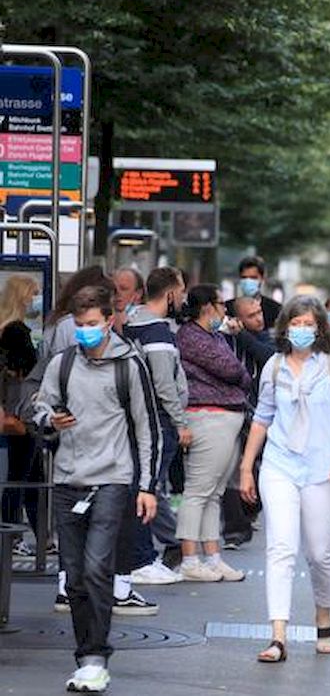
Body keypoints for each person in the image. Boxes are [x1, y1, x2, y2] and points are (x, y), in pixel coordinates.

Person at [32, 285, 159, 693]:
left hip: (112, 480)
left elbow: (147, 427)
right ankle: (87, 655)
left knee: (96, 568)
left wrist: (147, 486)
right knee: (73, 580)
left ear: (109, 320)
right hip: (68, 478)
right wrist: (50, 421)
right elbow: (40, 407)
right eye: (79, 325)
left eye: (92, 324)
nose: (85, 332)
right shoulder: (62, 364)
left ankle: (94, 658)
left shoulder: (129, 366)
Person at [239, 296, 330, 662]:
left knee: (320, 553)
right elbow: (262, 417)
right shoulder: (275, 366)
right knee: (281, 548)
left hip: (323, 467)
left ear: (319, 328)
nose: (302, 330)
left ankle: (323, 616)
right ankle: (278, 635)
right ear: (286, 327)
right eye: (296, 323)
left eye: (309, 324)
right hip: (280, 465)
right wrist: (246, 467)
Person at [175, 284, 252, 582]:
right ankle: (190, 559)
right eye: (222, 304)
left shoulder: (213, 335)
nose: (225, 310)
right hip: (208, 417)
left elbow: (235, 371)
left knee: (213, 494)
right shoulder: (192, 337)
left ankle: (212, 556)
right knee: (198, 491)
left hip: (224, 418)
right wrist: (238, 377)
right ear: (208, 306)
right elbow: (234, 371)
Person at [124, 267, 190, 583]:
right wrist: (181, 422)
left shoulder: (130, 324)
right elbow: (164, 385)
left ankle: (167, 545)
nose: (184, 299)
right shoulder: (157, 334)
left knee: (148, 485)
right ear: (170, 294)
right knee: (148, 487)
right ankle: (141, 559)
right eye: (182, 293)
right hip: (158, 422)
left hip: (137, 419)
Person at [221, 295, 277, 550]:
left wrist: (244, 335)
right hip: (232, 410)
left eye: (259, 312)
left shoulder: (263, 337)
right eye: (251, 315)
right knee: (234, 468)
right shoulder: (222, 339)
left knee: (258, 468)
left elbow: (268, 357)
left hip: (260, 413)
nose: (259, 318)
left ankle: (252, 507)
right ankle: (235, 529)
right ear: (236, 319)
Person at [0, 275, 42, 556]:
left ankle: (38, 535)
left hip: (14, 407)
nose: (37, 299)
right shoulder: (17, 331)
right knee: (22, 475)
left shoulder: (6, 328)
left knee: (31, 474)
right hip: (20, 410)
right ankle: (11, 535)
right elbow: (27, 368)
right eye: (34, 294)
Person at [225, 256, 281, 331]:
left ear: (262, 278)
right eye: (244, 277)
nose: (248, 281)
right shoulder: (227, 308)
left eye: (253, 278)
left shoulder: (275, 309)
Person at [112, 267, 145, 331]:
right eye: (113, 289)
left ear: (138, 293)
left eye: (124, 289)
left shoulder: (147, 325)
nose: (117, 293)